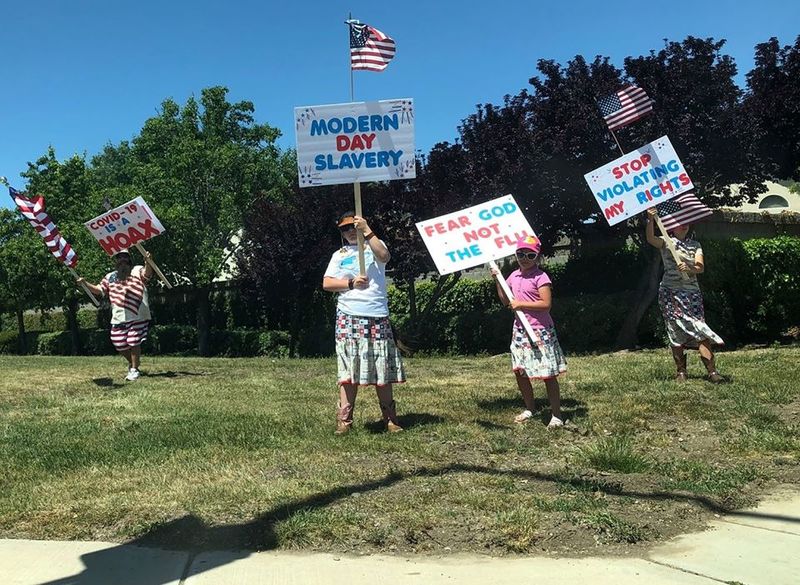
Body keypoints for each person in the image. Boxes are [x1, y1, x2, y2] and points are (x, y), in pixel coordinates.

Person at [322, 212, 405, 434]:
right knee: (348, 369)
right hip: (349, 315)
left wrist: (367, 231)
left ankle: (390, 419)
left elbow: (385, 256)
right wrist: (350, 283)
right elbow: (327, 283)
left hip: (376, 314)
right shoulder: (338, 255)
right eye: (345, 229)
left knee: (382, 369)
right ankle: (345, 421)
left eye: (353, 227)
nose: (349, 232)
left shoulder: (374, 245)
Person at [492, 235, 566, 428]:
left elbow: (546, 304)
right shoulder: (513, 276)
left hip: (541, 331)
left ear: (537, 257)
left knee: (548, 374)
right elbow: (506, 301)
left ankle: (556, 414)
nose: (524, 258)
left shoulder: (541, 277)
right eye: (520, 253)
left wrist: (521, 304)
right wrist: (498, 281)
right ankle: (530, 408)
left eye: (530, 255)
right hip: (520, 331)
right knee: (520, 371)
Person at [646, 208, 724, 382]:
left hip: (691, 293)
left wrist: (690, 269)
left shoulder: (695, 245)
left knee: (699, 328)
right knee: (674, 329)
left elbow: (700, 267)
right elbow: (651, 239)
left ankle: (712, 371)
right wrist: (650, 220)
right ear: (672, 227)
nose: (683, 226)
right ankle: (681, 371)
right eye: (679, 223)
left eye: (686, 223)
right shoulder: (666, 242)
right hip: (670, 292)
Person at [77, 249, 154, 381]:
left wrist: (148, 261)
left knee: (133, 340)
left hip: (138, 314)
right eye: (119, 257)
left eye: (125, 257)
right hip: (118, 317)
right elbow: (99, 290)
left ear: (129, 259)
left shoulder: (136, 270)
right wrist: (85, 284)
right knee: (119, 343)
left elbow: (147, 275)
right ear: (116, 260)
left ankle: (134, 369)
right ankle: (133, 362)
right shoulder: (110, 276)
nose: (122, 260)